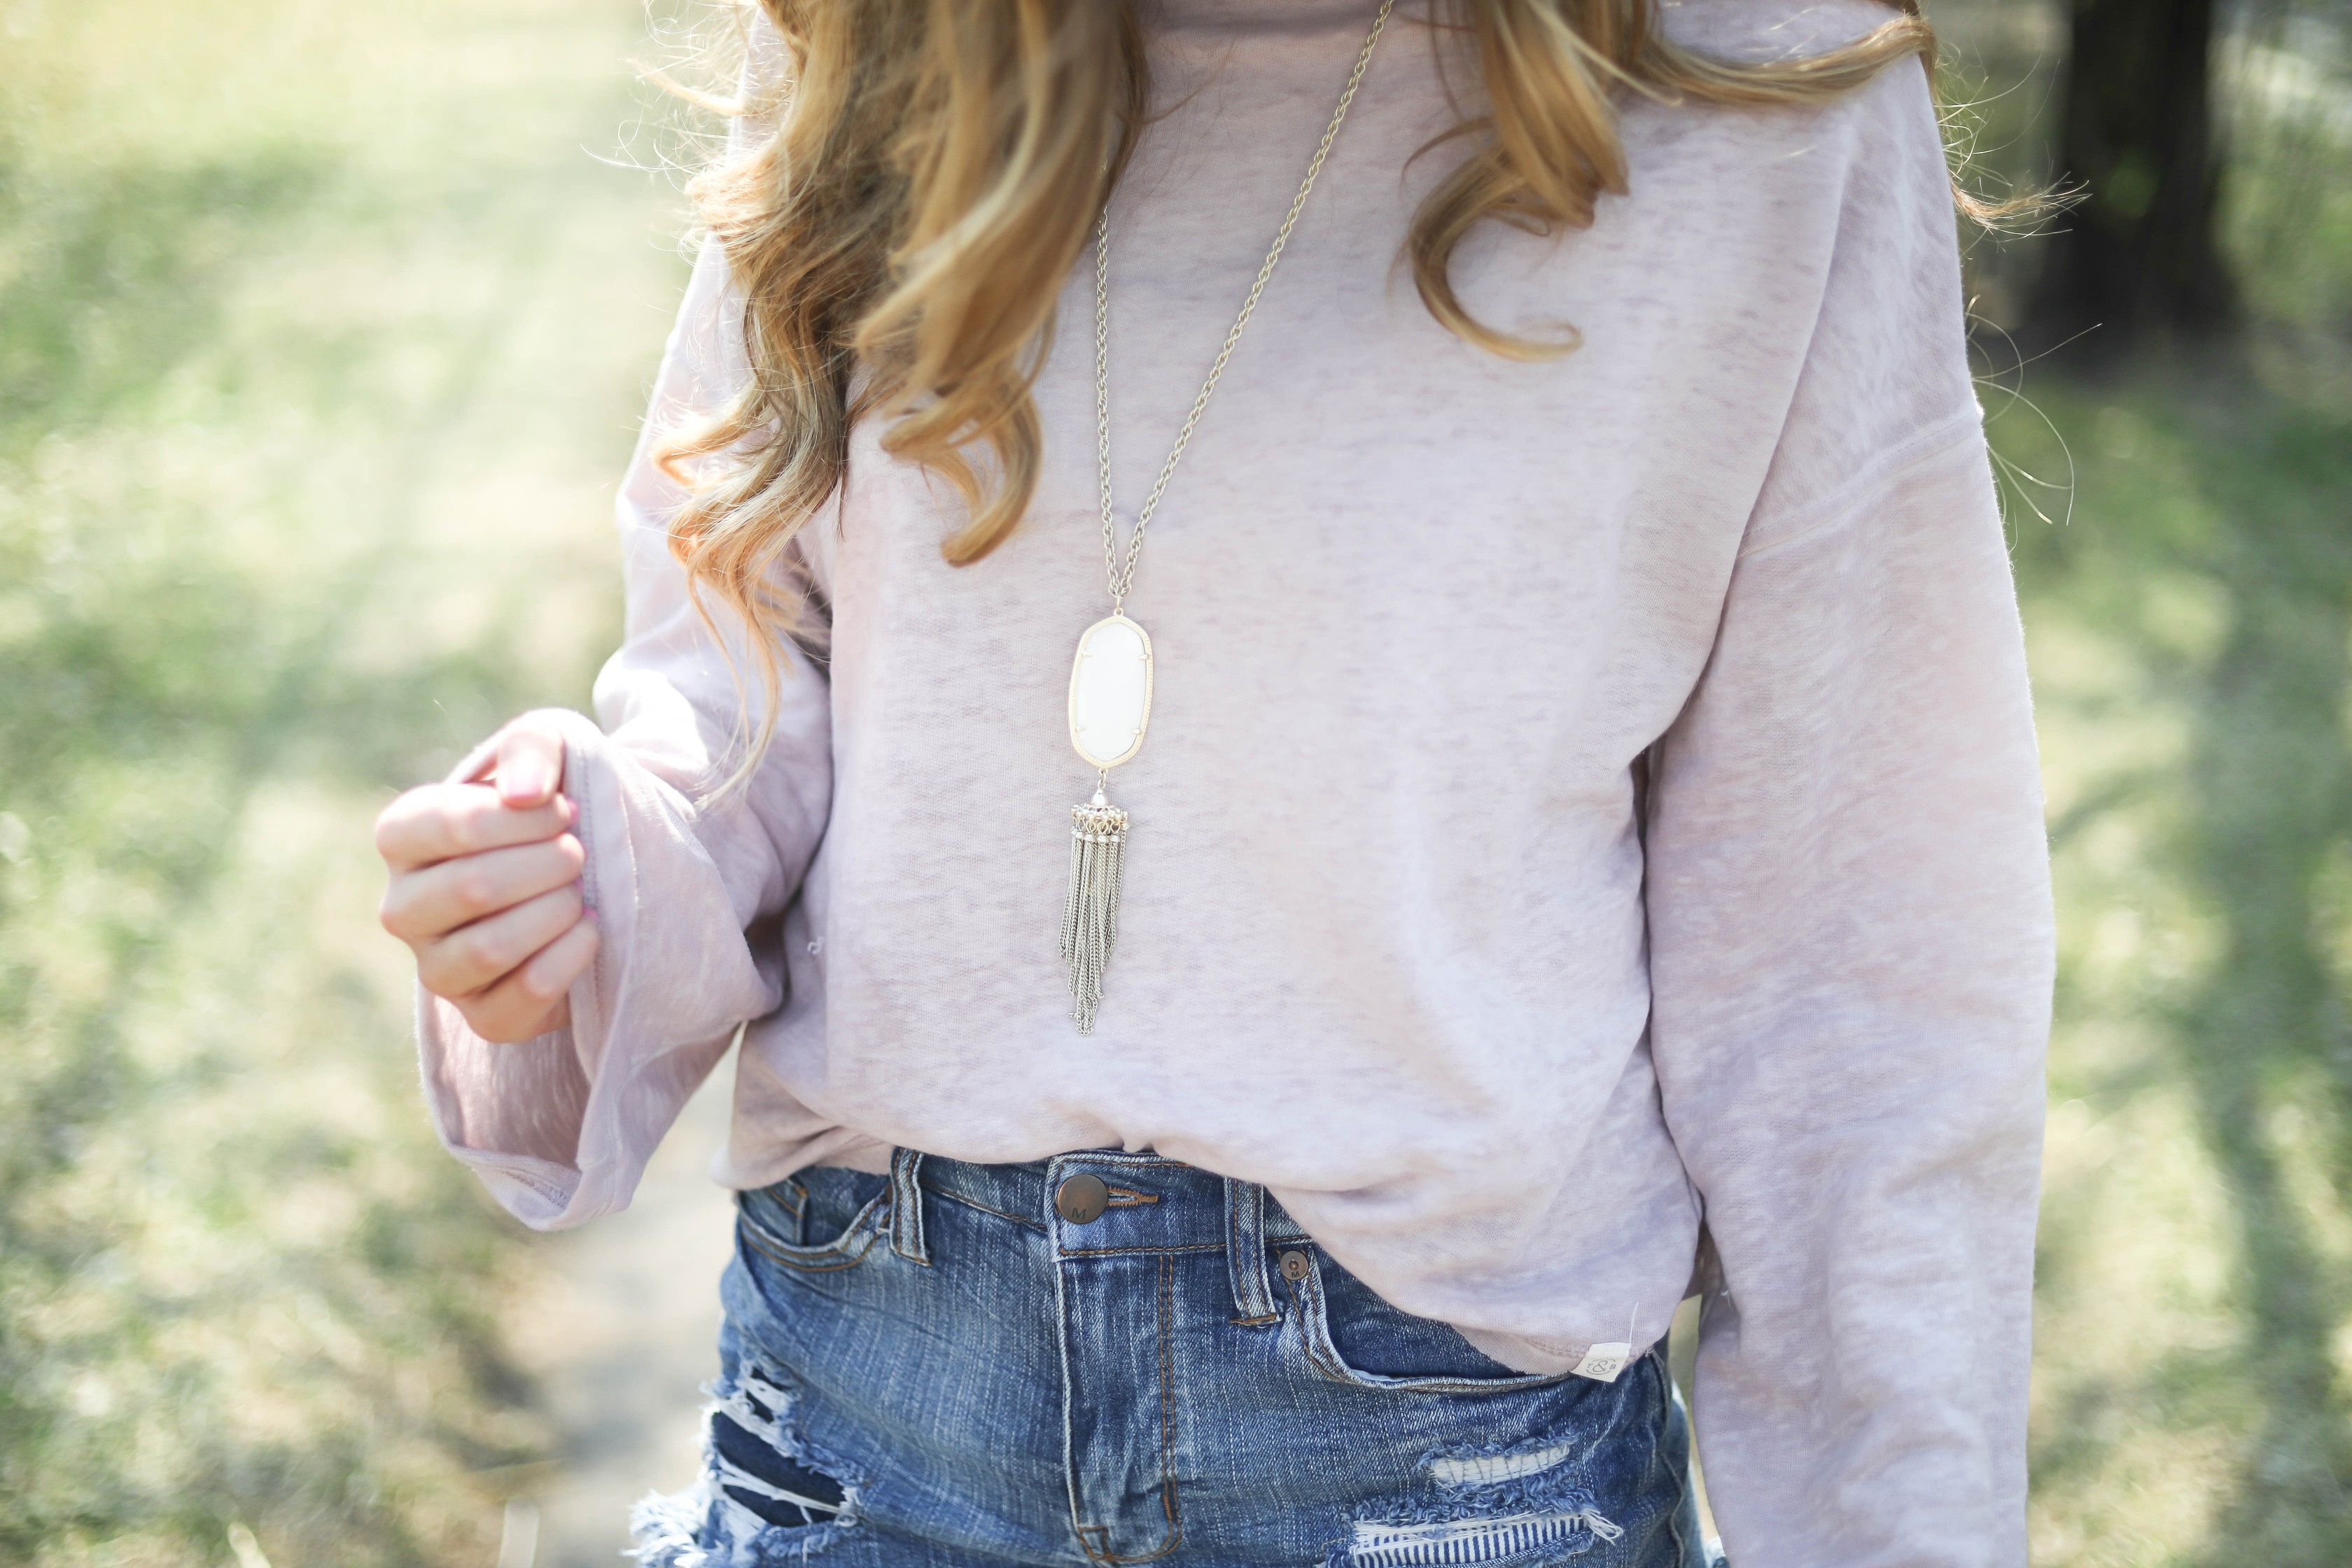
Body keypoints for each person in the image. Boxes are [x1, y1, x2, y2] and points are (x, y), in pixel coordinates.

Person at [372, 1, 2053, 1563]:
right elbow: (752, 654)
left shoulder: (1759, 90)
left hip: (1443, 1461)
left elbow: (1861, 973)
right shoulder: (896, 35)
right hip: (863, 1402)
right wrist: (602, 868)